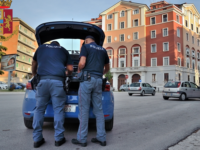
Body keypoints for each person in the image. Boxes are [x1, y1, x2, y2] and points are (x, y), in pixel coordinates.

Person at [32, 41, 73, 148]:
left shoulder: (40, 48)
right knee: (58, 110)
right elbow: (70, 69)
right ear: (58, 45)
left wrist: (34, 75)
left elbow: (34, 63)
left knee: (39, 110)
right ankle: (59, 139)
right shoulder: (63, 50)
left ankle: (37, 139)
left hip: (42, 82)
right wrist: (67, 75)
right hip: (57, 83)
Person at [71, 36, 110, 147]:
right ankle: (101, 138)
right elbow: (107, 67)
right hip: (98, 81)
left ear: (86, 41)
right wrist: (100, 74)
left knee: (84, 110)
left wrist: (79, 70)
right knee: (99, 110)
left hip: (87, 80)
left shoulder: (86, 47)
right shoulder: (103, 50)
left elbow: (82, 63)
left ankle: (82, 139)